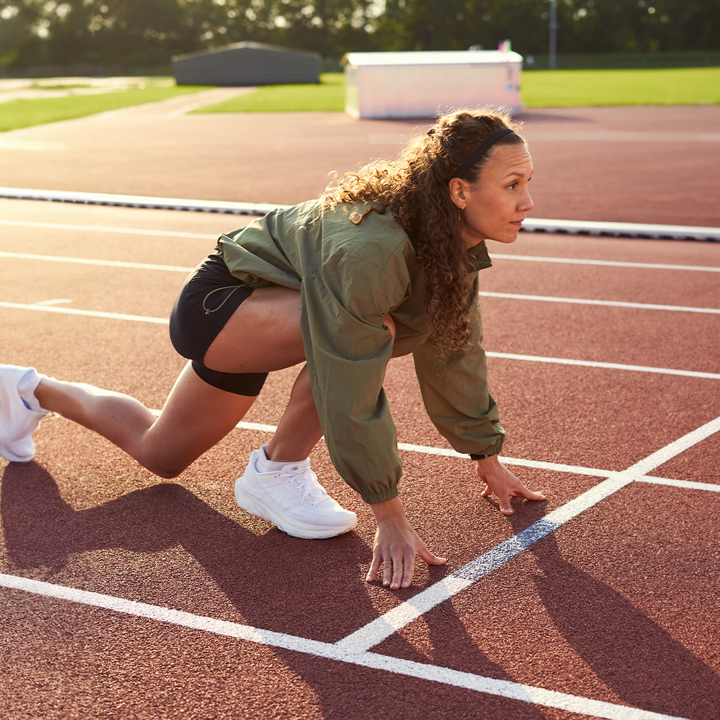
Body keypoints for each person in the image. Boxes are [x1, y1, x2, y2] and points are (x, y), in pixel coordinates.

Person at [0, 108, 545, 591]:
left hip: (279, 310)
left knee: (159, 453)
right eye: (512, 184)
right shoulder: (374, 250)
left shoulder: (449, 244)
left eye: (527, 183)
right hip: (223, 304)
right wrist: (390, 514)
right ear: (458, 191)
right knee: (369, 330)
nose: (527, 201)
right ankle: (276, 471)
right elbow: (349, 368)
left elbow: (455, 350)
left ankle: (26, 390)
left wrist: (485, 455)